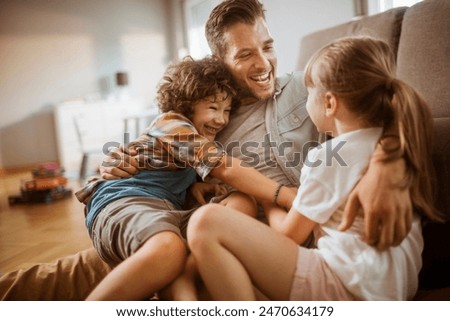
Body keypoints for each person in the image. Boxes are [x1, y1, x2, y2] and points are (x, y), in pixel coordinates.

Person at [0, 0, 411, 300]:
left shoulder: (310, 86)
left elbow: (392, 100)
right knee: (57, 279)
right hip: (189, 226)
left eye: (267, 46)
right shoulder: (207, 118)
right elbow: (169, 148)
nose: (264, 63)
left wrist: (387, 166)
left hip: (283, 244)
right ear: (220, 60)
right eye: (246, 54)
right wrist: (126, 160)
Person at [186, 36, 444, 301]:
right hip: (393, 289)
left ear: (330, 104)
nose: (305, 100)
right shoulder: (399, 145)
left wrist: (268, 199)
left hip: (345, 285)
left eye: (309, 94)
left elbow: (288, 236)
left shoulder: (329, 156)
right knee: (217, 281)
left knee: (204, 222)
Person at [78, 55, 295, 300]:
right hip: (127, 200)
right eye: (213, 108)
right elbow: (223, 166)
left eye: (226, 111)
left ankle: (185, 276)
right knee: (167, 250)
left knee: (242, 201)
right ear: (185, 104)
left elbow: (185, 167)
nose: (221, 119)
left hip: (165, 210)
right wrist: (283, 194)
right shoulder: (172, 123)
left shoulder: (195, 140)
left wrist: (194, 185)